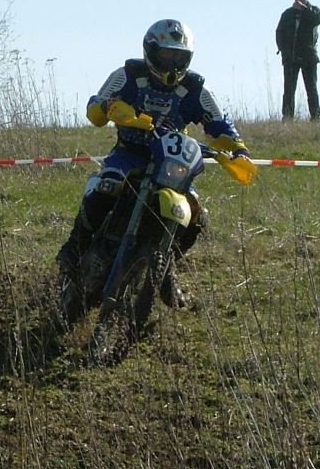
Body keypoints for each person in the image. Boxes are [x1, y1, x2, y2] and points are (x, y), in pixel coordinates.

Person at [57, 19, 252, 308]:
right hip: (129, 153)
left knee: (196, 216)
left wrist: (238, 149)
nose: (172, 64)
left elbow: (219, 123)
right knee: (107, 185)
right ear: (151, 51)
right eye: (167, 55)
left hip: (171, 161)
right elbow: (94, 110)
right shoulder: (127, 75)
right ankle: (75, 246)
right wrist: (108, 107)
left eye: (179, 57)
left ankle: (166, 270)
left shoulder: (195, 87)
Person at [275, 0, 320, 121]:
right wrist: (283, 50)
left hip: (308, 56)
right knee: (289, 90)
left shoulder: (314, 11)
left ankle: (315, 118)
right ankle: (287, 117)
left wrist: (303, 9)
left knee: (311, 88)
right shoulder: (287, 14)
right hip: (291, 57)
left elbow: (317, 19)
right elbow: (279, 32)